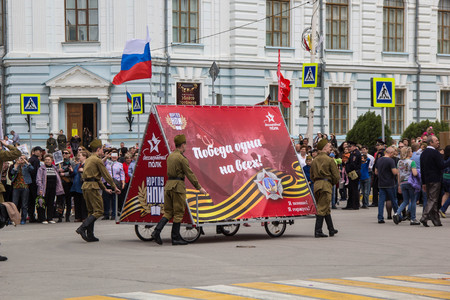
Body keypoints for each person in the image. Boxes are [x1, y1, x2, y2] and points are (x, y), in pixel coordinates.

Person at [151, 134, 207, 246]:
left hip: (168, 186)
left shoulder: (170, 156)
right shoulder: (181, 158)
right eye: (185, 144)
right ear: (182, 145)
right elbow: (189, 174)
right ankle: (175, 238)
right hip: (178, 187)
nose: (186, 146)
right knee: (178, 213)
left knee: (168, 212)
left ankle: (156, 231)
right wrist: (199, 187)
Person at [76, 139, 120, 242]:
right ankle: (82, 228)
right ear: (99, 149)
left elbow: (96, 177)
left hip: (86, 186)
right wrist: (114, 187)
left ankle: (90, 235)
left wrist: (105, 189)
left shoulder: (89, 159)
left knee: (91, 211)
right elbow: (106, 175)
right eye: (102, 149)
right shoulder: (97, 160)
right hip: (92, 187)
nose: (103, 151)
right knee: (99, 210)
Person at [311, 139, 340, 238]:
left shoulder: (314, 160)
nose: (330, 148)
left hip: (317, 185)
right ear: (324, 148)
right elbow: (336, 176)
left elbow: (311, 175)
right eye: (328, 146)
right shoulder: (330, 160)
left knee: (325, 208)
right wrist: (332, 182)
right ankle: (318, 231)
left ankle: (331, 229)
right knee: (322, 208)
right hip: (326, 185)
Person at [420, 135, 450, 227]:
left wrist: (423, 182)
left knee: (433, 199)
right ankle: (424, 216)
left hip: (427, 179)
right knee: (433, 199)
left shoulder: (423, 153)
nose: (438, 142)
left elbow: (422, 169)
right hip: (435, 179)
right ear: (430, 143)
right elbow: (442, 165)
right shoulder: (435, 153)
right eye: (436, 140)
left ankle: (436, 220)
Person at [393, 147, 420, 225]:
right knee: (413, 200)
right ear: (408, 153)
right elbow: (414, 173)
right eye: (411, 151)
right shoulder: (412, 162)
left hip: (402, 183)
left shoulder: (399, 162)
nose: (412, 153)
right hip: (410, 182)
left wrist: (399, 185)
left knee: (405, 200)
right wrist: (419, 173)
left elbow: (398, 174)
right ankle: (413, 219)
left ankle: (397, 213)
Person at [36, 154, 64, 224]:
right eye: (46, 160)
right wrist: (40, 188)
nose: (47, 161)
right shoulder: (41, 169)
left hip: (53, 188)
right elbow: (38, 179)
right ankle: (42, 218)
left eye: (49, 160)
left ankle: (50, 218)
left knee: (51, 203)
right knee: (42, 203)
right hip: (44, 188)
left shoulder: (55, 168)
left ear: (52, 161)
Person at [374, 147, 399, 223]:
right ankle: (398, 215)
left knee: (381, 201)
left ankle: (380, 217)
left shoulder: (379, 160)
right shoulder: (390, 160)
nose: (393, 155)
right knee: (393, 200)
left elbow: (376, 172)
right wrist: (399, 169)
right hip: (390, 183)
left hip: (381, 183)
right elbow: (394, 172)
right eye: (393, 153)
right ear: (390, 153)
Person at [10, 155, 34, 224]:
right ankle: (14, 219)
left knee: (24, 204)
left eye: (23, 158)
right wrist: (17, 164)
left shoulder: (27, 166)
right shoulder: (16, 166)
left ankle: (23, 219)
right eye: (21, 158)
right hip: (16, 186)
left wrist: (26, 162)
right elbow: (12, 173)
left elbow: (32, 169)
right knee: (14, 204)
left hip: (25, 186)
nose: (22, 160)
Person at [102, 149, 124, 220]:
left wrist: (123, 182)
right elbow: (101, 162)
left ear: (118, 156)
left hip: (116, 183)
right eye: (113, 155)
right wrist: (107, 157)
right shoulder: (107, 162)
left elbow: (122, 174)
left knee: (115, 199)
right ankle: (106, 214)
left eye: (115, 155)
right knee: (106, 199)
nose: (114, 157)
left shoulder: (120, 164)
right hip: (107, 182)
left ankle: (114, 214)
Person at [56, 150, 74, 222]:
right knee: (60, 201)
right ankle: (60, 216)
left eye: (66, 153)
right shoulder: (60, 163)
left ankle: (67, 217)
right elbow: (56, 171)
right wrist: (58, 170)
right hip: (61, 183)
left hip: (68, 183)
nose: (64, 154)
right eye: (63, 153)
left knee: (68, 201)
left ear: (69, 154)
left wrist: (65, 174)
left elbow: (73, 172)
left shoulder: (72, 163)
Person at [70, 151, 89, 222]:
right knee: (77, 201)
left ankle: (84, 216)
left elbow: (90, 172)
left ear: (84, 156)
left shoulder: (87, 164)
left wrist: (84, 170)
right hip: (76, 185)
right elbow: (74, 172)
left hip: (83, 185)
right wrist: (71, 171)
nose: (79, 157)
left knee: (83, 202)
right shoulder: (78, 165)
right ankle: (78, 216)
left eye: (80, 155)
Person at [343, 141, 361, 210]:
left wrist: (348, 166)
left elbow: (353, 164)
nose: (349, 148)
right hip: (352, 173)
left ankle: (355, 205)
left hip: (354, 173)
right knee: (351, 189)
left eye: (350, 147)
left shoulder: (355, 153)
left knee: (354, 189)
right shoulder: (352, 153)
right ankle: (350, 204)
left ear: (354, 146)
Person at [28, 146, 43, 223]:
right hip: (34, 182)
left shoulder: (30, 159)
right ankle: (39, 217)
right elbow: (36, 172)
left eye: (39, 151)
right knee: (37, 200)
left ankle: (31, 216)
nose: (39, 152)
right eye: (37, 151)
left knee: (31, 201)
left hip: (30, 182)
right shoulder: (36, 160)